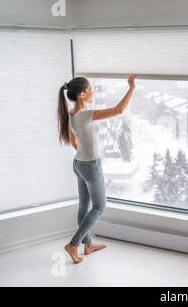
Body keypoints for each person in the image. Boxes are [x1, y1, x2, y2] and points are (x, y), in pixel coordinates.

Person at [57, 75, 136, 263]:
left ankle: (88, 244)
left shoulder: (70, 113)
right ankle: (73, 244)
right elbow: (118, 110)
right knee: (100, 206)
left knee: (84, 206)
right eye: (90, 90)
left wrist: (84, 155)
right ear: (82, 95)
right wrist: (131, 88)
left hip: (79, 164)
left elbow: (74, 140)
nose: (93, 92)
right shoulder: (85, 115)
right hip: (91, 166)